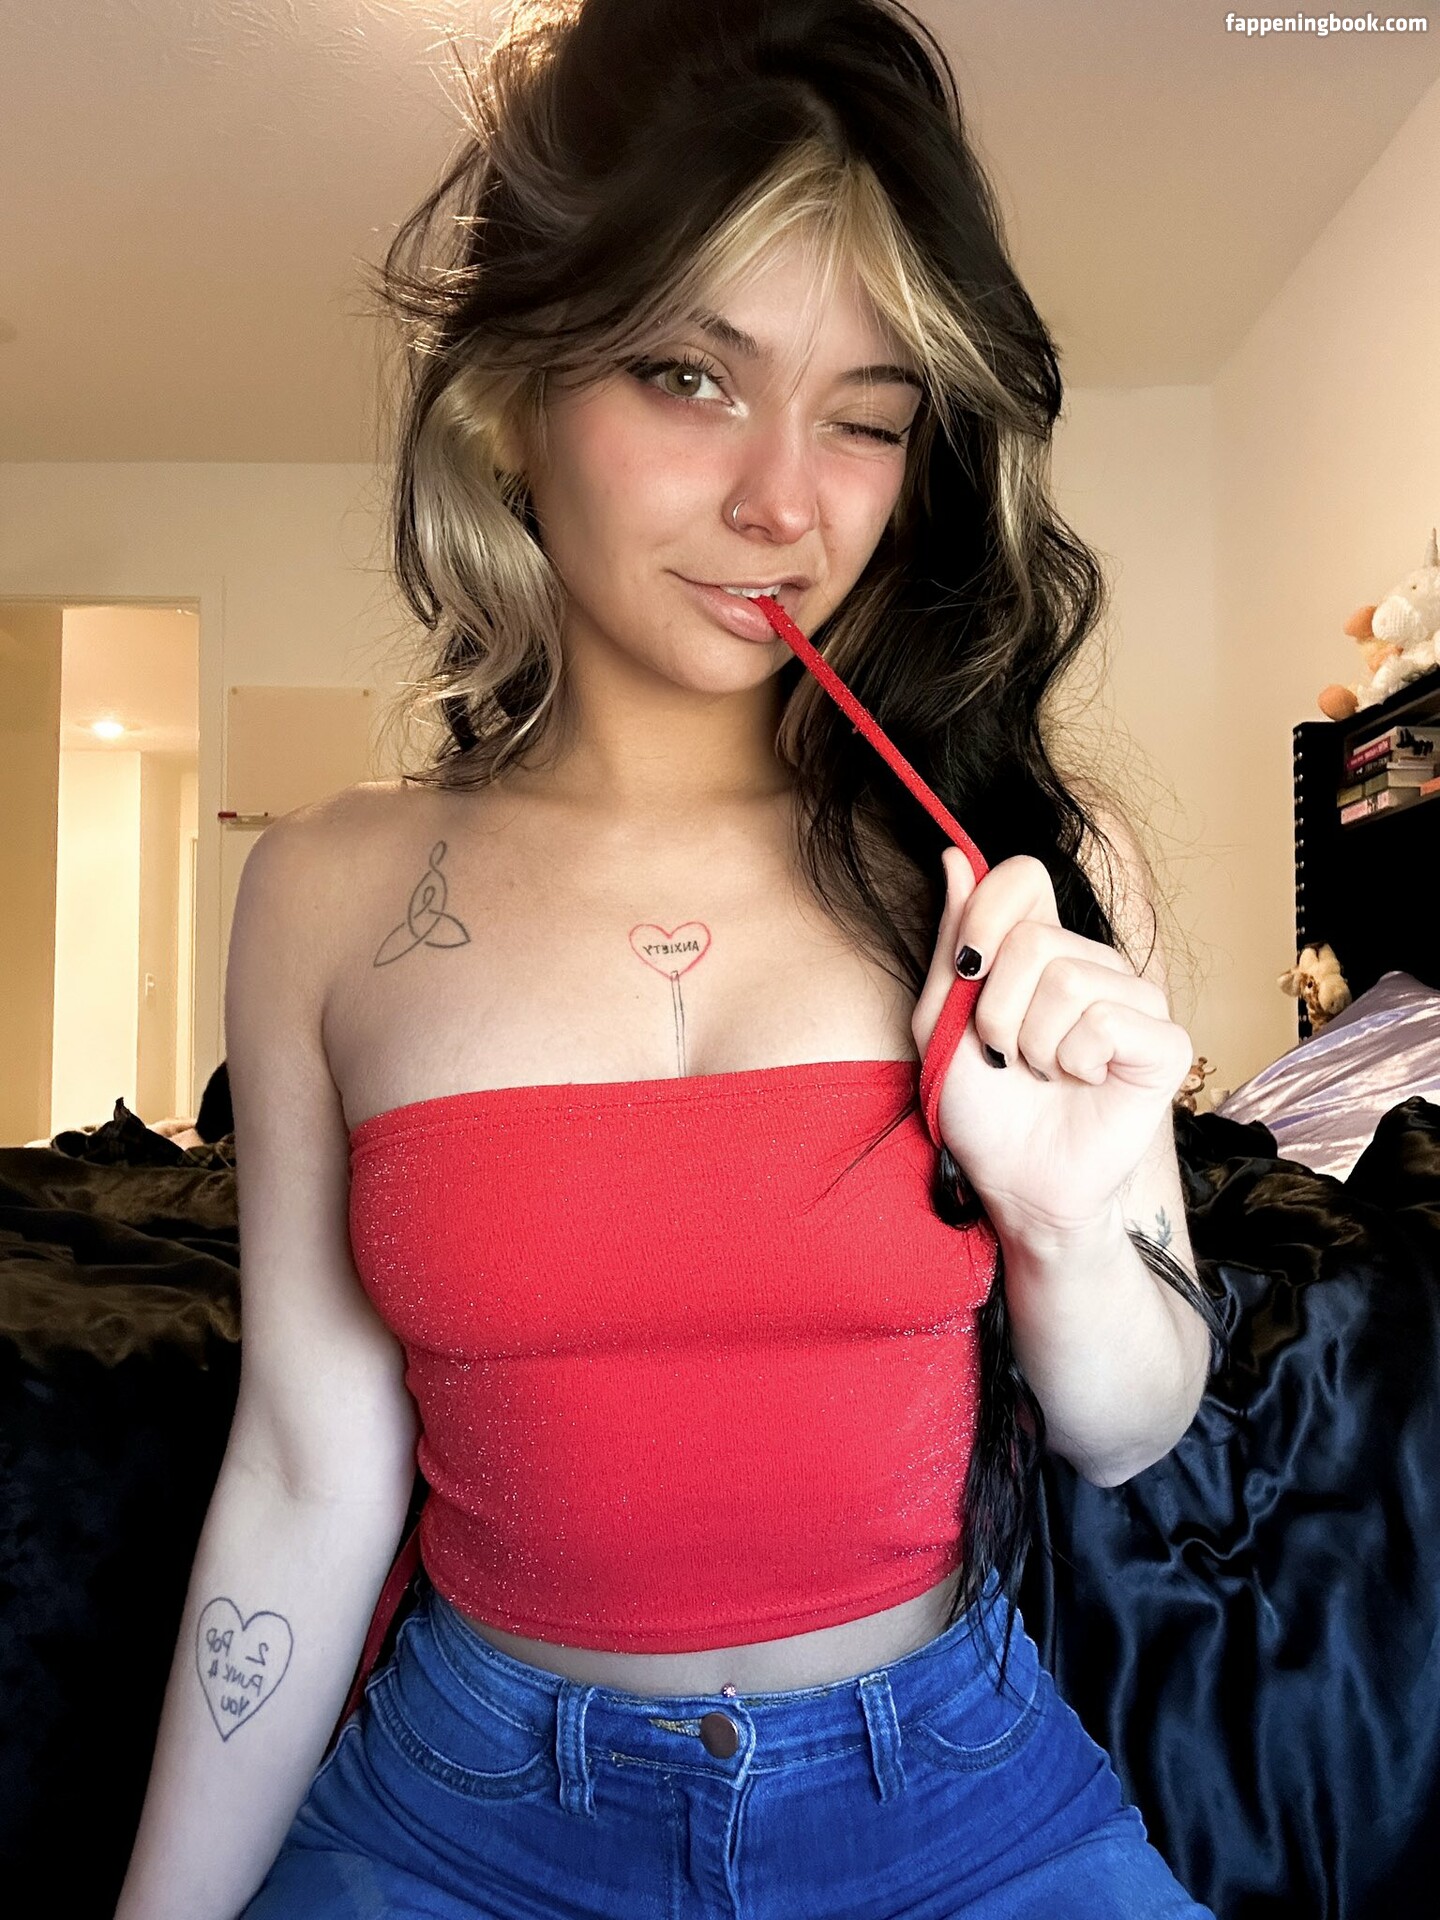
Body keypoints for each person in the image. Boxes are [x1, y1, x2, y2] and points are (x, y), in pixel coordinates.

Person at [115, 2, 1225, 1914]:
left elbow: (1129, 1432)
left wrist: (1062, 1221)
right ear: (510, 392)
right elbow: (304, 1474)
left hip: (957, 1804)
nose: (786, 504)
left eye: (866, 415)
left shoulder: (1005, 868)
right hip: (457, 1814)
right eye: (690, 377)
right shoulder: (323, 888)